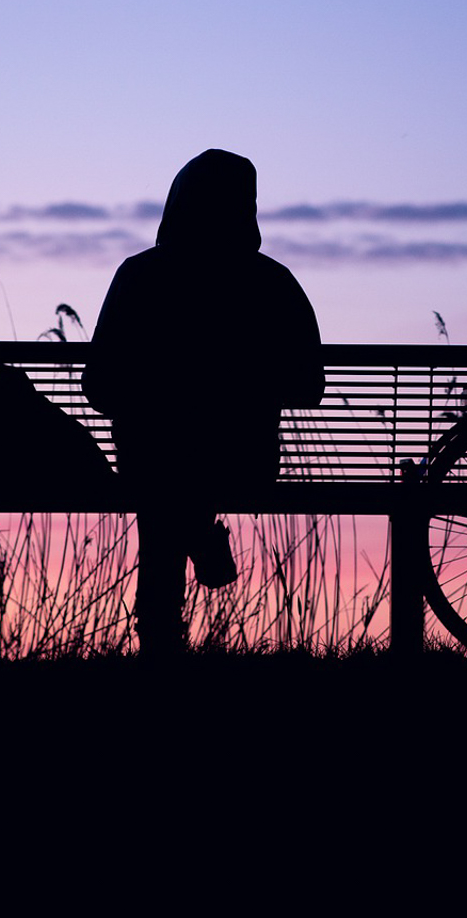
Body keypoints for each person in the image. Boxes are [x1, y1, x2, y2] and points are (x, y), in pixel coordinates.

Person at [85, 149, 323, 655]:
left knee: (162, 486)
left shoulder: (139, 275)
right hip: (245, 461)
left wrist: (159, 392)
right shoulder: (271, 281)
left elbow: (98, 387)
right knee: (175, 480)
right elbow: (309, 384)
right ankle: (198, 532)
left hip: (151, 461)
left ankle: (160, 638)